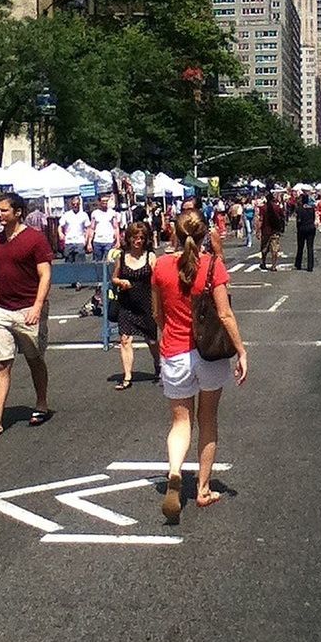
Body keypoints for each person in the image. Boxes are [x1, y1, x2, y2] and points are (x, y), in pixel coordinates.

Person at [151, 211, 248, 520]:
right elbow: (225, 314)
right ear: (206, 234)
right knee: (208, 419)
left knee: (180, 423)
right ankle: (203, 488)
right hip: (207, 353)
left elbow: (158, 314)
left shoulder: (162, 266)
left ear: (173, 234)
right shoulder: (212, 266)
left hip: (174, 351)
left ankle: (176, 472)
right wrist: (241, 350)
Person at [0, 193, 54, 439]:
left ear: (18, 212)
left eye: (4, 210)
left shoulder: (35, 240)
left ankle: (41, 404)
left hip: (28, 308)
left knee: (34, 359)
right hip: (1, 309)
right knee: (1, 363)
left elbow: (45, 275)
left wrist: (37, 306)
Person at [112, 222, 160, 390]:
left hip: (146, 303)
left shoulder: (150, 257)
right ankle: (127, 376)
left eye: (141, 238)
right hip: (127, 303)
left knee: (152, 340)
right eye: (135, 237)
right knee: (125, 339)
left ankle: (158, 363)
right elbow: (114, 278)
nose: (138, 241)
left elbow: (157, 281)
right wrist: (120, 281)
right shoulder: (122, 257)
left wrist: (158, 305)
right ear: (129, 238)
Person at [58, 196, 91, 264]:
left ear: (80, 204)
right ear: (71, 204)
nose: (75, 205)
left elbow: (88, 228)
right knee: (68, 265)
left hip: (80, 242)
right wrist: (60, 233)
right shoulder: (66, 215)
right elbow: (60, 226)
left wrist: (86, 240)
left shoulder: (84, 215)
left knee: (80, 264)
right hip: (69, 242)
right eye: (73, 204)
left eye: (77, 204)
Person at [257, 191, 285, 271]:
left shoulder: (263, 208)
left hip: (265, 230)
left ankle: (263, 262)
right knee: (275, 248)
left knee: (264, 247)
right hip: (275, 230)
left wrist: (258, 230)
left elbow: (260, 220)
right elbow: (282, 216)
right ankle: (274, 265)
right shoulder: (277, 207)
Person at [89, 195, 120, 261]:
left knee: (109, 261)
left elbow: (116, 227)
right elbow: (92, 228)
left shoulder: (112, 213)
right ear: (99, 202)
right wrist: (89, 242)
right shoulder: (95, 213)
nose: (105, 203)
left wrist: (118, 241)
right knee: (97, 263)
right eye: (103, 201)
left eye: (106, 201)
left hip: (109, 241)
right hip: (97, 241)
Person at [294, 192, 317, 272]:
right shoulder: (311, 209)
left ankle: (298, 264)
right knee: (310, 247)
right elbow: (313, 218)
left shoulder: (299, 209)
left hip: (302, 228)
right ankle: (310, 266)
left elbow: (298, 220)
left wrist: (298, 228)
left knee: (300, 247)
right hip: (311, 227)